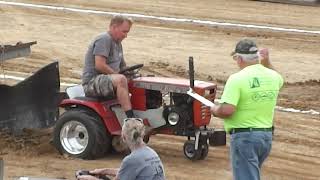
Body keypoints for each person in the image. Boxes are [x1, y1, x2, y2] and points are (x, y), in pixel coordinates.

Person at [210, 38, 283, 180]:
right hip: (265, 138)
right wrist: (266, 62)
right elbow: (278, 78)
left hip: (245, 137)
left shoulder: (237, 79)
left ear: (239, 58)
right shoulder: (273, 76)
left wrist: (214, 109)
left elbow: (227, 110)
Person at [76, 118, 165, 180]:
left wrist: (90, 179)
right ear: (142, 135)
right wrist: (104, 171)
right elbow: (129, 171)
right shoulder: (151, 153)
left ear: (123, 137)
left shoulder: (131, 160)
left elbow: (129, 170)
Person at [82, 15, 134, 118]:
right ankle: (130, 117)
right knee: (121, 80)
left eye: (127, 32)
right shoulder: (104, 39)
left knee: (134, 80)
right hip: (92, 82)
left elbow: (122, 67)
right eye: (124, 32)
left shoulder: (118, 43)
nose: (126, 35)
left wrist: (132, 74)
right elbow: (99, 65)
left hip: (106, 80)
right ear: (114, 27)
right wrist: (117, 75)